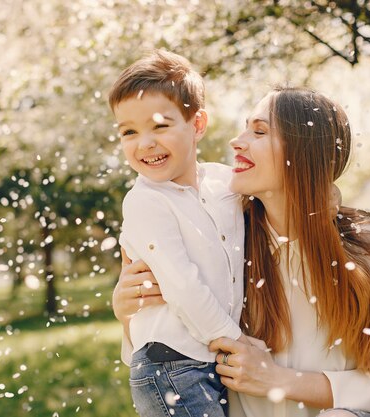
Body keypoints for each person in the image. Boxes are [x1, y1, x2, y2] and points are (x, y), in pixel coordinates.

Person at [113, 86, 370, 417]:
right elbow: (170, 350)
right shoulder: (227, 241)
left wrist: (277, 380)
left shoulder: (368, 245)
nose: (236, 141)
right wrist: (127, 312)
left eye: (259, 131)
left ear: (304, 153)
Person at [108, 49, 247, 417]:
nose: (145, 143)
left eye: (160, 126)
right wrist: (236, 343)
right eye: (129, 132)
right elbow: (182, 285)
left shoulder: (224, 183)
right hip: (171, 368)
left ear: (197, 124)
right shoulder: (145, 202)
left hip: (208, 360)